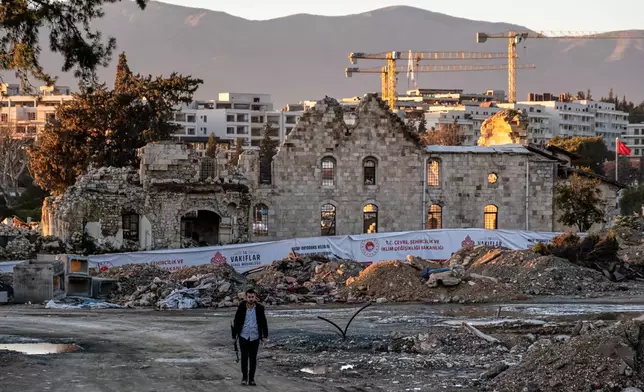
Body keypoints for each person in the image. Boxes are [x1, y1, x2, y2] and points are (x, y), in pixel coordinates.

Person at [232, 288, 268, 386]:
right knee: (244, 358)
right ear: (246, 297)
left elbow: (264, 323)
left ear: (255, 297)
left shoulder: (260, 308)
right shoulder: (241, 307)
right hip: (243, 336)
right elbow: (236, 321)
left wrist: (265, 336)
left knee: (253, 359)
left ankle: (251, 379)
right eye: (249, 297)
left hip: (255, 337)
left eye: (252, 297)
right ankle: (244, 378)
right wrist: (234, 336)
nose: (251, 299)